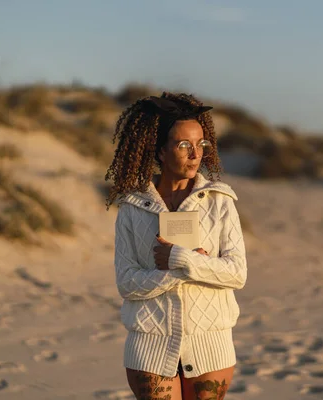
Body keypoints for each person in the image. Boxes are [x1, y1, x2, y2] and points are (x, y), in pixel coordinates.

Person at [104, 92, 248, 400]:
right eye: (184, 145)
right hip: (150, 342)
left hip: (210, 341)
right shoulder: (132, 207)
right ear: (159, 152)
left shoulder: (220, 202)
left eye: (201, 144)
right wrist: (177, 270)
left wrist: (182, 259)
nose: (196, 154)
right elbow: (127, 283)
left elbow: (237, 273)